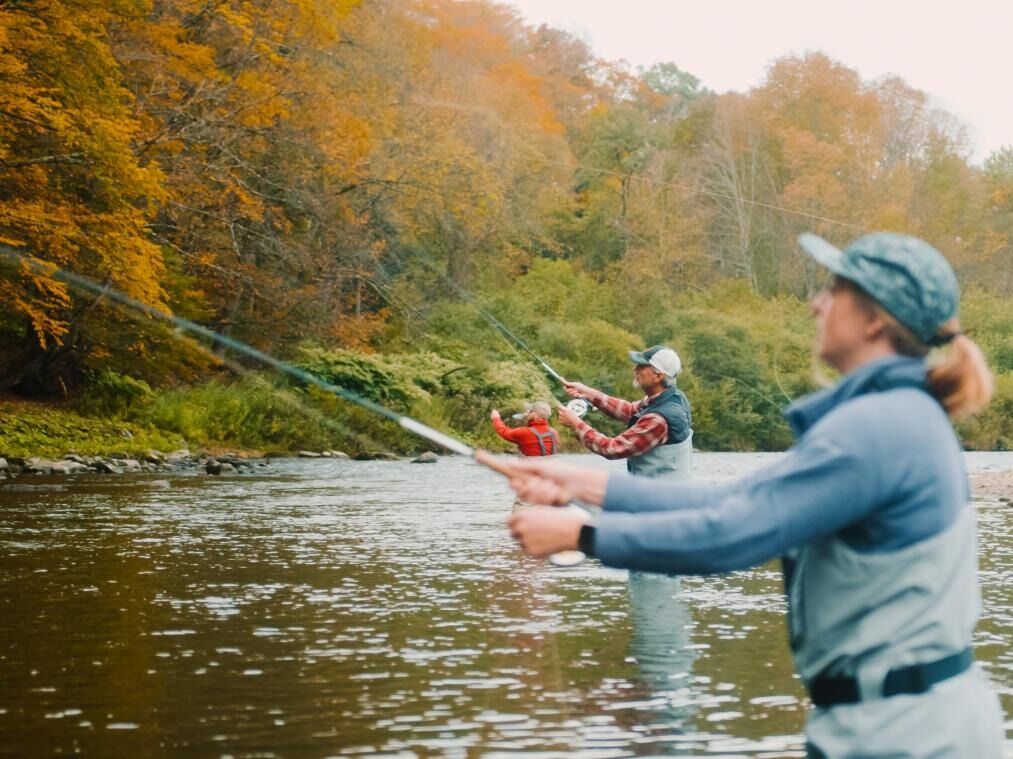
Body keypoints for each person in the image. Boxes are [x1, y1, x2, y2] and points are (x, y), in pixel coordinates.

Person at [481, 232, 1005, 757]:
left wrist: (580, 533)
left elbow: (729, 535)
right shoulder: (893, 413)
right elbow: (737, 501)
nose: (816, 302)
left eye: (834, 290)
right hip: (904, 722)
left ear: (874, 319)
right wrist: (580, 483)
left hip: (909, 734)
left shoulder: (878, 426)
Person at [557, 345, 693, 478]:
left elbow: (611, 449)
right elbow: (629, 410)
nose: (635, 369)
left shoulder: (658, 419)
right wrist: (587, 392)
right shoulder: (673, 397)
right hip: (665, 494)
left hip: (660, 498)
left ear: (658, 376)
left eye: (641, 366)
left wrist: (575, 424)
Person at [490, 400, 559, 457]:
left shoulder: (524, 432)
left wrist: (496, 418)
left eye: (530, 411)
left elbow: (504, 432)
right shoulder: (554, 432)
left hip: (528, 472)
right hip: (549, 472)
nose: (527, 412)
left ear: (535, 414)